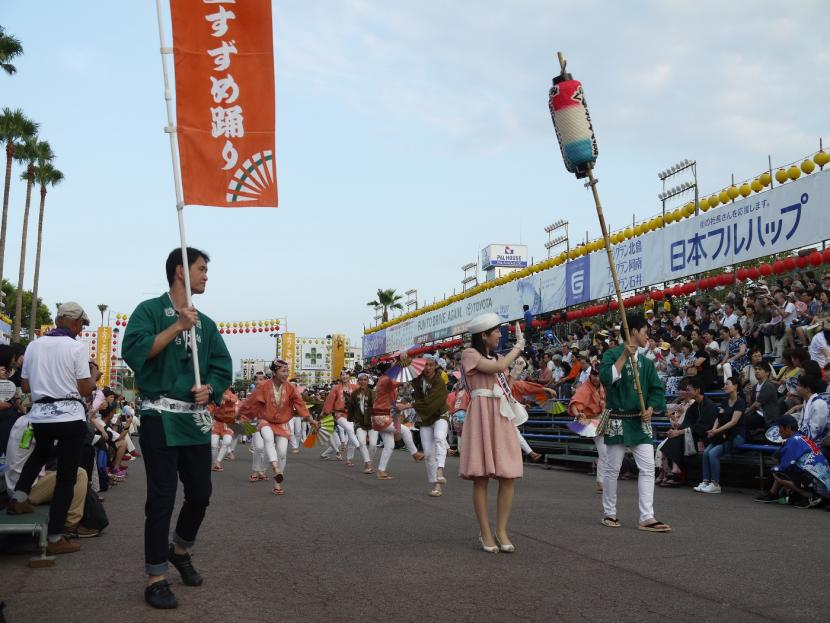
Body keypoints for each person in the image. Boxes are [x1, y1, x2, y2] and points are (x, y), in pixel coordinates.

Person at [122, 248, 233, 610]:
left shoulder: (208, 324)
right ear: (180, 271)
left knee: (201, 493)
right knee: (162, 497)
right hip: (158, 415)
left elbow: (220, 366)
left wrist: (210, 388)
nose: (206, 276)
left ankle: (181, 550)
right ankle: (155, 577)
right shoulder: (149, 311)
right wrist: (176, 326)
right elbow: (136, 352)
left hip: (194, 419)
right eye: (201, 269)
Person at [6, 302, 97, 555]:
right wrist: (91, 383)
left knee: (40, 454)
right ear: (75, 322)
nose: (80, 329)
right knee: (67, 478)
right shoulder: (76, 347)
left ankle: (19, 499)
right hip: (69, 416)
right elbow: (84, 388)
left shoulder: (34, 345)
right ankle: (56, 537)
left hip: (41, 415)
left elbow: (25, 386)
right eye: (81, 324)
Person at [459, 313, 526, 553]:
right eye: (496, 331)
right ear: (483, 335)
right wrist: (518, 348)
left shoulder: (497, 357)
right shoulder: (470, 354)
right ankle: (485, 532)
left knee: (508, 475)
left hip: (500, 413)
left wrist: (515, 371)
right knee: (481, 476)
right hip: (481, 414)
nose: (500, 335)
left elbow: (502, 376)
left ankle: (502, 530)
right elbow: (497, 367)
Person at [598, 311, 670, 532]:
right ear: (634, 332)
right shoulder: (611, 355)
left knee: (648, 468)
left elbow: (657, 391)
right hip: (618, 417)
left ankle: (647, 516)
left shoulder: (647, 364)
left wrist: (650, 407)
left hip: (640, 421)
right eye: (645, 332)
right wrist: (623, 357)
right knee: (612, 469)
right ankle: (609, 513)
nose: (647, 336)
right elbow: (606, 379)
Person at [238, 359, 317, 494]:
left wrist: (310, 419)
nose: (286, 374)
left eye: (287, 371)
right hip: (265, 420)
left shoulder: (291, 387)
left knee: (282, 452)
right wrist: (240, 415)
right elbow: (250, 403)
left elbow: (300, 404)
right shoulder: (263, 386)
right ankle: (274, 467)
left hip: (282, 422)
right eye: (283, 371)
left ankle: (277, 483)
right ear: (274, 372)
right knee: (264, 442)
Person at [765, 415, 830, 508]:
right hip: (823, 483)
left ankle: (811, 497)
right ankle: (811, 495)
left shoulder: (793, 441)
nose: (779, 431)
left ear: (788, 428)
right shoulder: (803, 438)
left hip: (818, 484)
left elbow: (783, 466)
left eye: (780, 428)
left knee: (778, 473)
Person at [694, 377, 746, 494]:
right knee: (706, 452)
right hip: (723, 434)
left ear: (735, 386)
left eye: (727, 384)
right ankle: (706, 481)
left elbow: (733, 422)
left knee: (713, 453)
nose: (724, 387)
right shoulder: (725, 400)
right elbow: (719, 417)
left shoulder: (740, 402)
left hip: (736, 436)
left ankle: (715, 484)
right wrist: (713, 429)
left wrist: (716, 432)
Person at [411, 354, 450, 497]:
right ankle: (436, 485)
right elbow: (406, 366)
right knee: (428, 454)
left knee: (439, 437)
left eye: (430, 365)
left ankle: (440, 470)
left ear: (436, 366)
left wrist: (408, 405)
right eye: (425, 365)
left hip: (440, 415)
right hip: (426, 419)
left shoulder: (440, 381)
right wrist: (402, 358)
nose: (427, 368)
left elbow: (429, 403)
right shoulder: (418, 379)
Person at [567, 365, 607, 493]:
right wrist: (578, 414)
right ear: (590, 375)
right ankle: (601, 482)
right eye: (594, 375)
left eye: (598, 375)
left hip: (604, 418)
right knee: (605, 452)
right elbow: (575, 403)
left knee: (607, 452)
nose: (597, 378)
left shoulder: (602, 385)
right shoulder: (585, 387)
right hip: (592, 420)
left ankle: (603, 481)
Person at [323, 371, 360, 467]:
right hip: (340, 414)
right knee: (349, 429)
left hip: (352, 414)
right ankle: (359, 446)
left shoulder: (355, 387)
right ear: (340, 377)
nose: (344, 376)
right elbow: (329, 400)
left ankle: (349, 459)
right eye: (342, 375)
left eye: (346, 374)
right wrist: (326, 412)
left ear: (350, 376)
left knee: (351, 433)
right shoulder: (336, 388)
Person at [347, 372, 375, 474]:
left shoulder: (372, 393)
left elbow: (376, 407)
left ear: (368, 381)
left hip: (372, 422)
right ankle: (367, 463)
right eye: (361, 380)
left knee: (373, 445)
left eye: (365, 380)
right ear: (358, 381)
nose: (363, 381)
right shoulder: (354, 394)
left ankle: (369, 461)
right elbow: (350, 408)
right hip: (359, 422)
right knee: (362, 442)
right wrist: (351, 420)